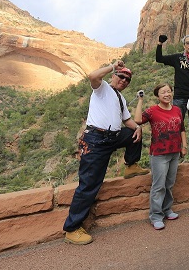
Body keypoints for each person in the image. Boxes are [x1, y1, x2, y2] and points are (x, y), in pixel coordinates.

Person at [63, 60, 148, 245]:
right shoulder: (102, 88)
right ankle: (71, 229)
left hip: (113, 137)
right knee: (89, 184)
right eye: (121, 76)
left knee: (134, 132)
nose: (124, 80)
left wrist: (138, 128)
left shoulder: (121, 99)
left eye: (127, 79)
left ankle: (131, 166)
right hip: (96, 140)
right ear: (113, 76)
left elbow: (127, 121)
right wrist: (113, 66)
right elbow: (93, 76)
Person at [134, 83, 187, 230]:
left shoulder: (177, 109)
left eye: (169, 91)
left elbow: (182, 129)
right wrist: (140, 101)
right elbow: (138, 120)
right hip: (159, 154)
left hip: (174, 152)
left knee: (169, 184)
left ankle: (167, 210)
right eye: (163, 92)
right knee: (158, 186)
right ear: (158, 95)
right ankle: (156, 216)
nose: (167, 94)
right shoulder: (152, 111)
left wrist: (184, 146)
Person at [156, 34, 189, 163]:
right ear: (184, 45)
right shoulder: (177, 58)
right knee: (175, 125)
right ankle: (174, 154)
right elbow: (159, 58)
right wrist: (159, 44)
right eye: (188, 43)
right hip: (179, 97)